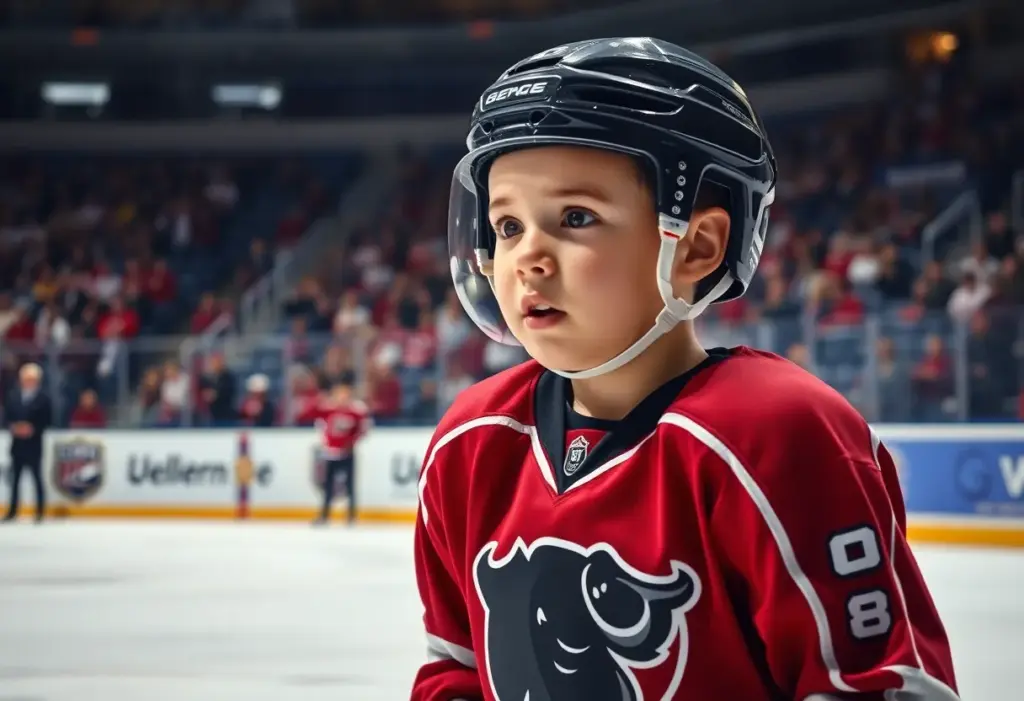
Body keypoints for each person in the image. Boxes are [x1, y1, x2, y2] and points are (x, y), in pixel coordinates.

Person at [411, 38, 959, 700]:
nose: (526, 257)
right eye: (506, 226)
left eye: (575, 217)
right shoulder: (471, 441)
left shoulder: (777, 434)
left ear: (697, 246)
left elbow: (876, 684)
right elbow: (459, 670)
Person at [313, 381, 371, 526]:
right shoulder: (328, 410)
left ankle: (351, 515)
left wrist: (352, 442)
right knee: (327, 486)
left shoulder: (355, 412)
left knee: (350, 485)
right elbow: (319, 425)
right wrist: (327, 442)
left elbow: (363, 429)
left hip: (347, 453)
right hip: (331, 453)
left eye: (345, 395)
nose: (342, 398)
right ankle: (324, 515)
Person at [3, 363, 52, 523]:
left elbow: (47, 419)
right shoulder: (13, 396)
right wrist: (13, 427)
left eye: (32, 379)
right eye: (26, 379)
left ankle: (39, 511)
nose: (28, 382)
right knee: (15, 479)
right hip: (17, 444)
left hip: (34, 445)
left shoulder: (43, 398)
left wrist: (33, 429)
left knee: (37, 478)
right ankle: (13, 511)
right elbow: (7, 416)